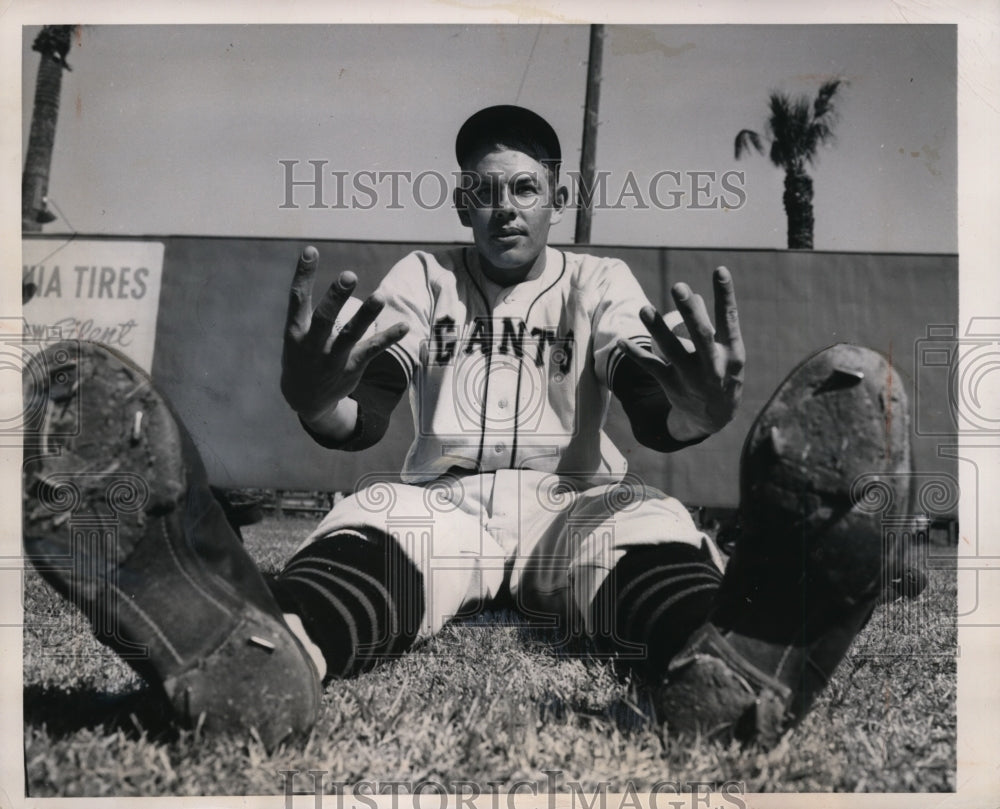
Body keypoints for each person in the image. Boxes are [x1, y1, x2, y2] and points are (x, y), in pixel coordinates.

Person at [22, 105, 913, 751]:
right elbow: (357, 414)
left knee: (641, 542)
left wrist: (696, 410)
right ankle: (261, 651)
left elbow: (649, 399)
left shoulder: (596, 281)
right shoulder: (422, 275)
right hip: (445, 501)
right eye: (485, 191)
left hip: (573, 499)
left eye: (525, 188)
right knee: (374, 536)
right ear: (461, 202)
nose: (506, 206)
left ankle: (717, 661)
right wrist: (312, 394)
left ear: (554, 199)